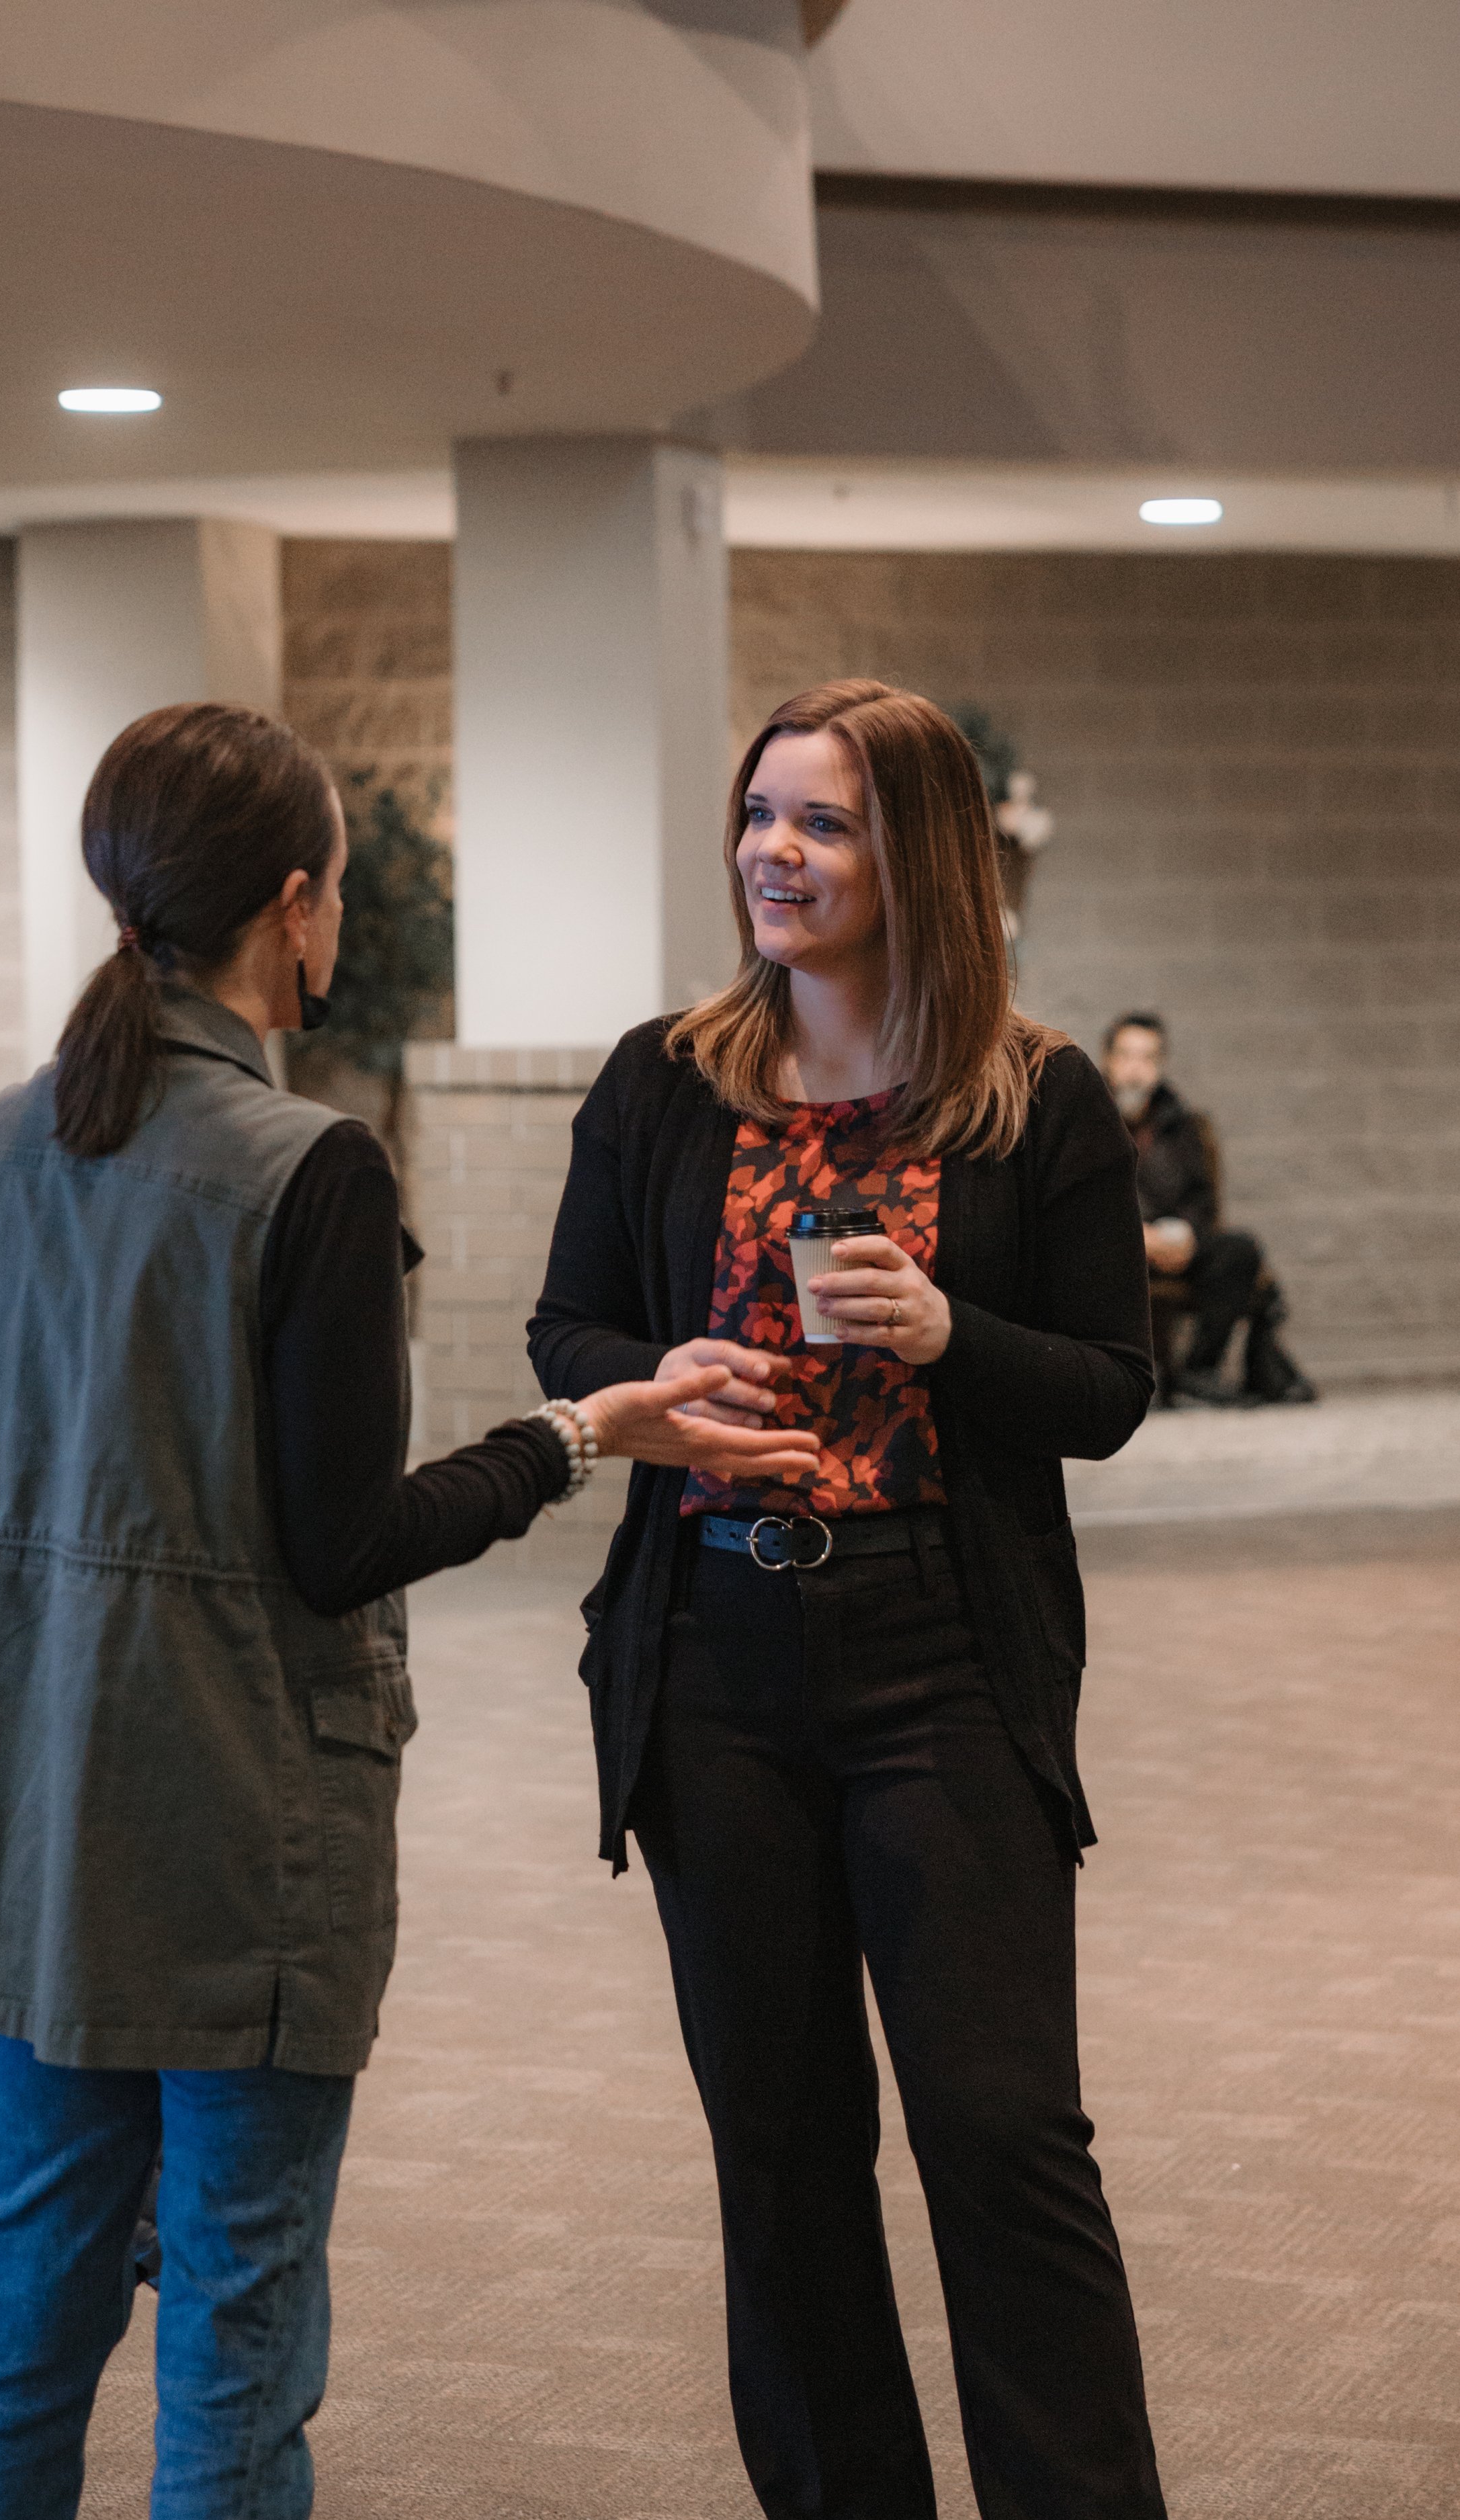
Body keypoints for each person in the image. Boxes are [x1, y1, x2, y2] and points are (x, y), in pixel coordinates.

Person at [0, 701, 818, 2520]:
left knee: (29, 2295)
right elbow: (345, 1539)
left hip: (30, 1812)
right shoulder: (310, 1164)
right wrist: (580, 1427)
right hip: (230, 1829)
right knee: (237, 2320)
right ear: (294, 905)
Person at [529, 679, 1168, 2520]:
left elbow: (1110, 1390)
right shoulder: (666, 1078)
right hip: (712, 1652)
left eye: (820, 822)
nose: (773, 853)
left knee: (998, 2128)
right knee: (784, 2148)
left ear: (921, 853)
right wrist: (647, 1377)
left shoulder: (1029, 1098)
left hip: (939, 1651)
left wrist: (953, 1331)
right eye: (757, 815)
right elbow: (565, 1323)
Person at [1102, 1011, 1316, 1405]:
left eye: (1147, 1058)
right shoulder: (1091, 1119)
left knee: (1239, 1250)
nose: (1135, 1069)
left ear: (1159, 1066)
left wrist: (1186, 1239)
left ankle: (1198, 1371)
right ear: (1108, 1060)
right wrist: (1136, 1237)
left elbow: (1201, 1199)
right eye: (1127, 1056)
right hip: (1112, 1247)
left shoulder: (1182, 1125)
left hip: (1173, 1243)